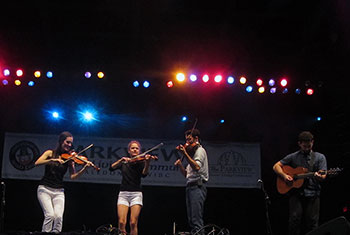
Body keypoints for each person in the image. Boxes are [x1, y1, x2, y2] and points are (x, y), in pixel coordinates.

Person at [35, 131, 93, 233]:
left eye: (71, 143)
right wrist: (52, 160)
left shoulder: (70, 159)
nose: (69, 145)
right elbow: (37, 163)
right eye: (67, 142)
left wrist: (84, 168)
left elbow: (73, 176)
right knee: (50, 215)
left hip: (59, 191)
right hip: (44, 189)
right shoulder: (50, 153)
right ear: (61, 141)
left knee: (58, 216)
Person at [273, 131, 327, 235]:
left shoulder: (320, 157)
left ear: (313, 142)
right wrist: (284, 176)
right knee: (294, 219)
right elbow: (276, 166)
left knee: (312, 222)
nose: (307, 148)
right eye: (304, 146)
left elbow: (323, 176)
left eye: (309, 146)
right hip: (296, 193)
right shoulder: (293, 156)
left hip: (313, 193)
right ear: (299, 144)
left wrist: (319, 177)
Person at [109, 140, 157, 235]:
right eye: (132, 148)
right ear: (129, 151)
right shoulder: (125, 162)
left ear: (139, 151)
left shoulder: (141, 162)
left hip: (136, 194)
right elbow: (111, 168)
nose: (135, 150)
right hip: (123, 194)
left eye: (137, 148)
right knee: (122, 222)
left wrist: (147, 162)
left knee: (133, 222)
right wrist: (121, 160)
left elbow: (144, 174)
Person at [174, 129, 209, 234]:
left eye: (189, 140)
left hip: (197, 186)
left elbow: (197, 167)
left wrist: (185, 153)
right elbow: (187, 175)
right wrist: (180, 165)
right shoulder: (192, 154)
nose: (187, 143)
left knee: (196, 219)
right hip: (190, 186)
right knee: (191, 220)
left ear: (196, 139)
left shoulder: (199, 151)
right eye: (186, 140)